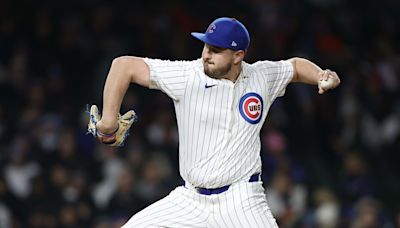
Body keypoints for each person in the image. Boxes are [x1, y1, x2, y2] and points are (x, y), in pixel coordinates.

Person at [93, 17, 340, 227]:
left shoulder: (260, 76)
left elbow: (295, 67)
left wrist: (320, 75)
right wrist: (107, 122)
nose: (206, 55)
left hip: (242, 199)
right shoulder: (188, 75)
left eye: (216, 50)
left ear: (238, 56)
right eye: (206, 46)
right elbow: (123, 66)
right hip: (190, 200)